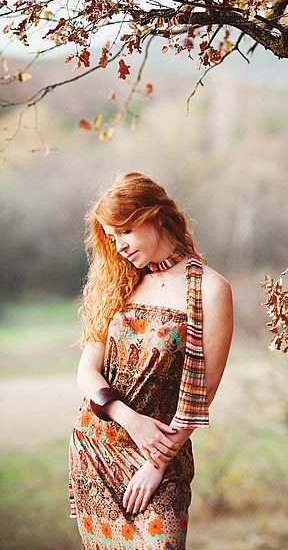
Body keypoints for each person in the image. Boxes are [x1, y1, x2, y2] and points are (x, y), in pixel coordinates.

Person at [68, 171, 233, 549]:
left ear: (155, 216)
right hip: (97, 447)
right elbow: (86, 371)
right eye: (111, 238)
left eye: (124, 231)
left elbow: (200, 393)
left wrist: (157, 463)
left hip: (162, 455)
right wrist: (130, 420)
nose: (119, 246)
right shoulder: (117, 284)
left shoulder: (211, 289)